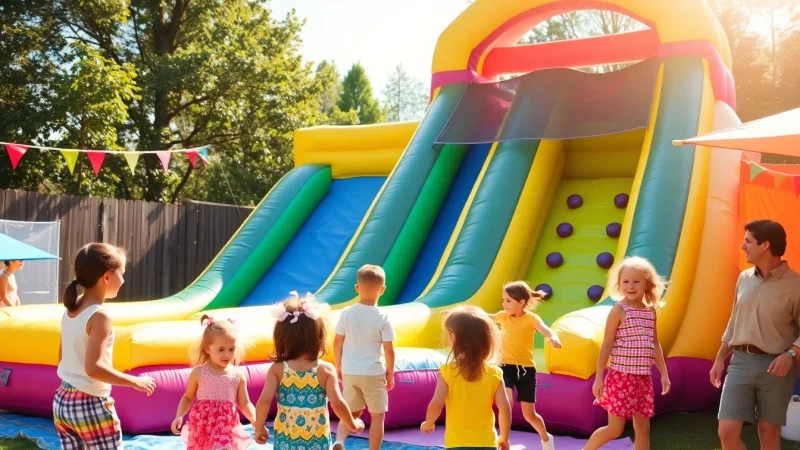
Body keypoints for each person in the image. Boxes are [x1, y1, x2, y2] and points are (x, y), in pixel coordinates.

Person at [53, 243, 156, 450]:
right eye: (122, 273)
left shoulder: (71, 309)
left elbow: (62, 357)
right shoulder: (100, 316)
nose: (124, 280)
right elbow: (94, 368)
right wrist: (135, 381)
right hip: (89, 404)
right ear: (107, 276)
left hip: (62, 401)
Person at [711, 219, 800, 450]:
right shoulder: (743, 278)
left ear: (766, 245)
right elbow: (734, 320)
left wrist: (791, 354)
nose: (743, 246)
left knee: (768, 434)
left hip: (777, 367)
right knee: (726, 430)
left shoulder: (796, 285)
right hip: (740, 362)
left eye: (748, 241)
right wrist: (720, 358)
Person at [254, 293, 364, 448]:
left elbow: (264, 400)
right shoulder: (325, 370)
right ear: (318, 337)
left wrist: (259, 428)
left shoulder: (278, 369)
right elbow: (337, 403)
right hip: (316, 442)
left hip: (287, 442)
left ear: (281, 337)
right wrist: (351, 423)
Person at [584, 256, 670, 450]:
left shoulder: (650, 311)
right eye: (626, 282)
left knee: (643, 429)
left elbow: (654, 343)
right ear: (619, 284)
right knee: (615, 429)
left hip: (643, 379)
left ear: (647, 284)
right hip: (621, 377)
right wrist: (599, 379)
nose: (630, 286)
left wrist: (664, 373)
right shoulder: (618, 310)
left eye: (636, 281)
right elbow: (606, 345)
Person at [420, 305, 512, 450]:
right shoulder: (494, 372)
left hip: (457, 442)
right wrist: (504, 438)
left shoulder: (448, 371)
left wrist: (428, 422)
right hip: (487, 442)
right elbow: (505, 408)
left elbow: (436, 403)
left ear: (453, 337)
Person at [333, 265, 396, 450]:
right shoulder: (383, 316)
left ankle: (340, 441)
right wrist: (390, 372)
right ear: (383, 290)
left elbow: (337, 342)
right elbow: (389, 349)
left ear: (357, 288)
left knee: (350, 412)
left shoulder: (346, 313)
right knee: (378, 415)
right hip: (373, 372)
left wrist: (339, 366)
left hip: (350, 370)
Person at [171, 315, 255, 450]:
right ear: (207, 348)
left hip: (226, 426)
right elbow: (188, 397)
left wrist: (254, 419)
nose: (227, 354)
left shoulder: (238, 375)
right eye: (221, 349)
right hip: (203, 426)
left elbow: (245, 403)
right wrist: (179, 415)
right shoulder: (199, 373)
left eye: (231, 349)